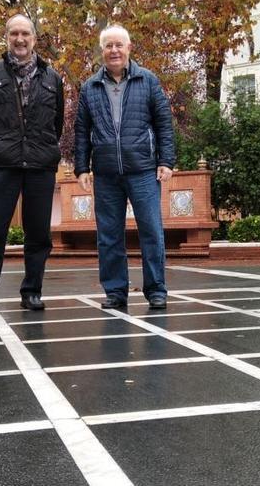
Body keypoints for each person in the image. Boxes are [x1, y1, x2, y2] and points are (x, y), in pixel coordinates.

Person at [0, 14, 65, 315]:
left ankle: (32, 291)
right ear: (6, 38)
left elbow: (56, 123)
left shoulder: (52, 78)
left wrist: (39, 147)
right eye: (14, 34)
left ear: (34, 38)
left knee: (38, 235)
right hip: (2, 164)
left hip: (39, 165)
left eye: (25, 34)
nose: (20, 39)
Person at [74, 24, 174, 310]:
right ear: (102, 51)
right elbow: (82, 131)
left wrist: (166, 161)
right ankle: (116, 292)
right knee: (108, 236)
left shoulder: (148, 81)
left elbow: (164, 123)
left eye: (119, 45)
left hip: (143, 170)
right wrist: (82, 167)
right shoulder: (90, 87)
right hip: (105, 174)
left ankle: (156, 289)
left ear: (129, 48)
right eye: (108, 46)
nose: (114, 50)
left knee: (152, 232)